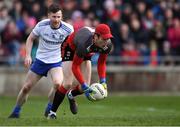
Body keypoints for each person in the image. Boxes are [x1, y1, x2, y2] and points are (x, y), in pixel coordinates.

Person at [8, 3, 74, 118]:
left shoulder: (68, 29)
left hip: (56, 61)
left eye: (58, 17)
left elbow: (73, 44)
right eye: (54, 17)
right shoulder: (41, 25)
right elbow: (30, 38)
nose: (56, 19)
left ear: (61, 16)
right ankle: (16, 111)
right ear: (49, 15)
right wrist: (28, 55)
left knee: (58, 84)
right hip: (40, 60)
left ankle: (50, 107)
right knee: (26, 88)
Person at [48, 24, 113, 119]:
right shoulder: (84, 43)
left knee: (85, 87)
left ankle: (71, 95)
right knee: (67, 83)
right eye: (104, 39)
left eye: (107, 39)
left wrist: (103, 81)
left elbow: (101, 63)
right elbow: (75, 67)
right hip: (70, 48)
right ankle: (52, 113)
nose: (106, 42)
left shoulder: (107, 45)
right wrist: (83, 84)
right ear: (96, 36)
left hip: (85, 51)